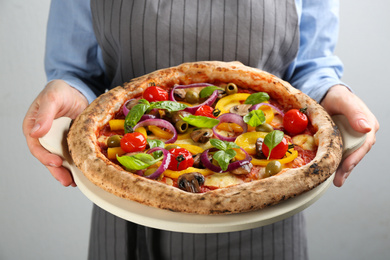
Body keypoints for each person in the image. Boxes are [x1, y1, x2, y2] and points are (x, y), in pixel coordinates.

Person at [23, 0, 379, 259]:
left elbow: (313, 68)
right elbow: (75, 71)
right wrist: (69, 91)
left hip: (263, 224)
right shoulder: (109, 145)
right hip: (125, 211)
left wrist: (331, 93)